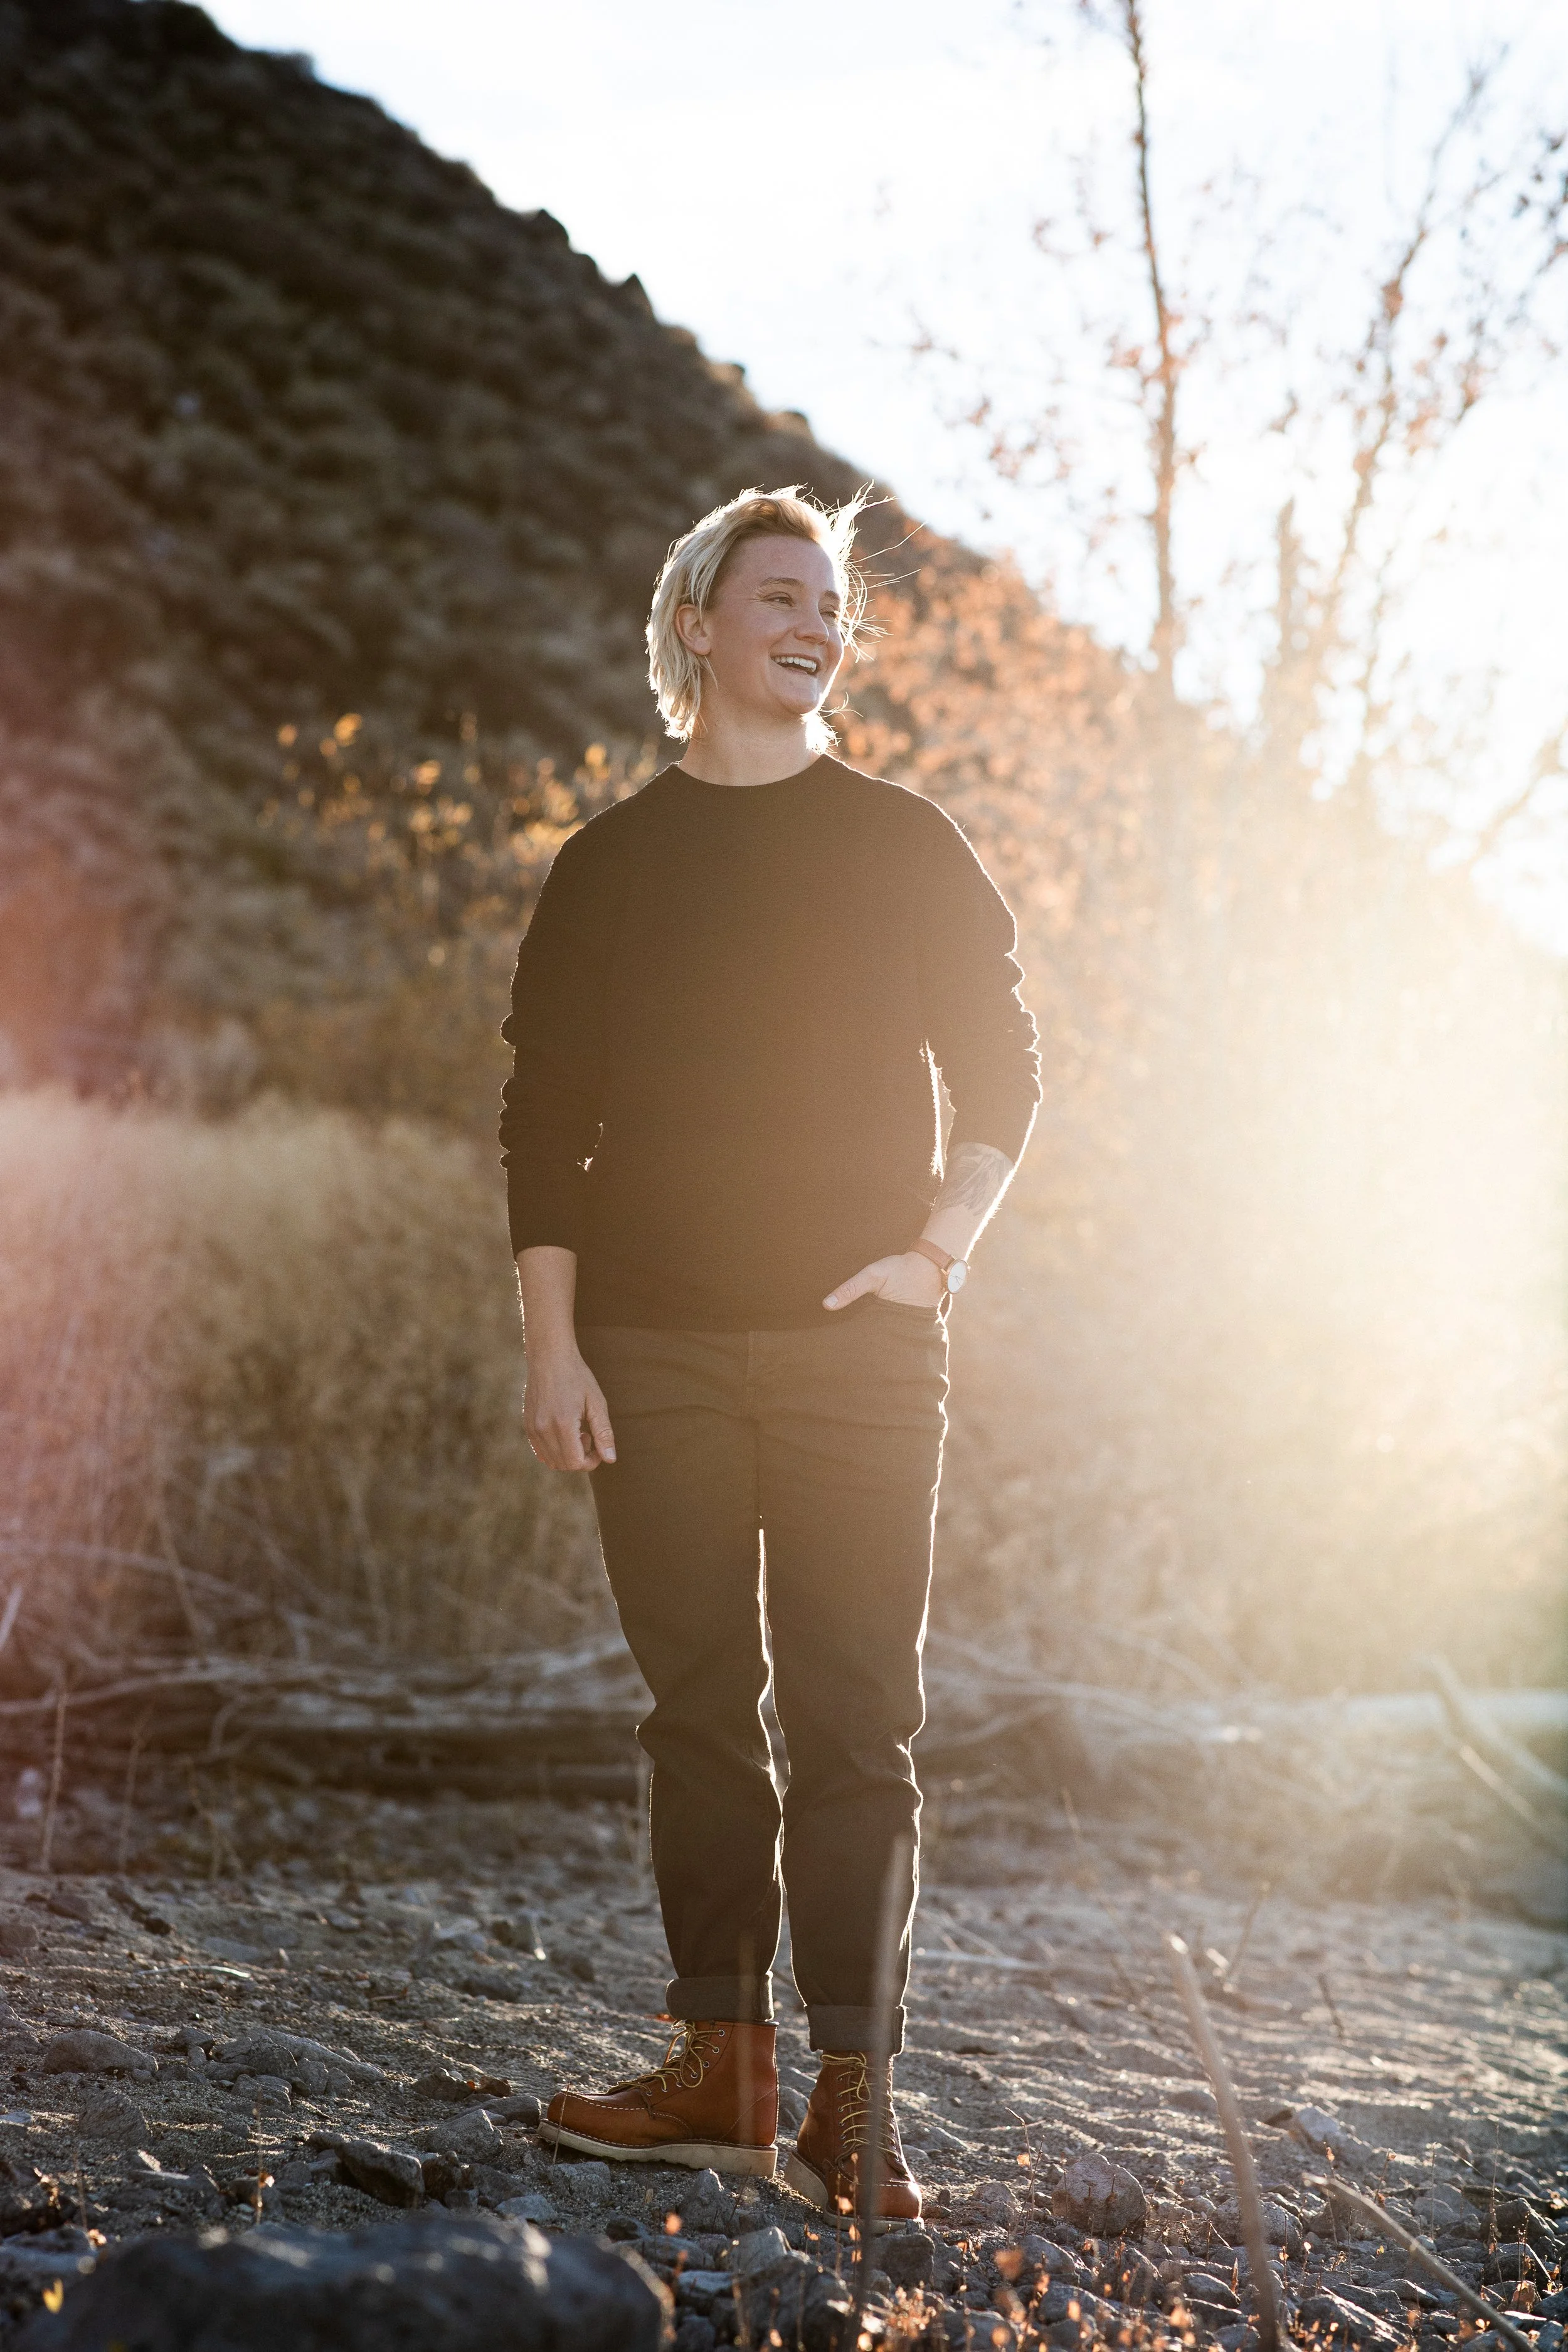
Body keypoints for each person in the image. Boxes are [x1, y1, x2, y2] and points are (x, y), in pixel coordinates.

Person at [499, 486, 1039, 2222]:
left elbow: (1006, 1069)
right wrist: (553, 1347)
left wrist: (937, 1251)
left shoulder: (902, 842)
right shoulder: (608, 865)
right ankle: (720, 2060)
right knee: (697, 1714)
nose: (817, 622)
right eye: (781, 595)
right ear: (698, 628)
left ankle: (852, 2097)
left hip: (858, 1358)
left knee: (858, 1718)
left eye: (833, 603)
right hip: (645, 1349)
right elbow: (542, 1128)